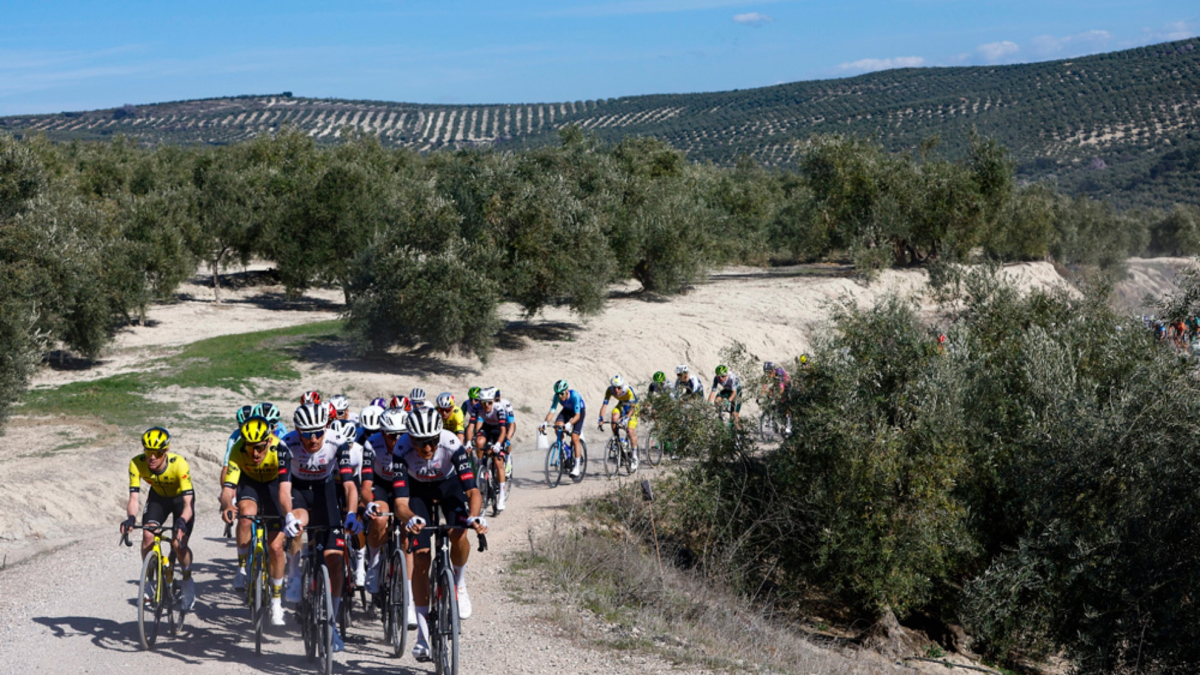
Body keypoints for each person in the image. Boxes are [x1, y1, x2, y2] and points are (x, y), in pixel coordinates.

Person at [394, 408, 488, 661]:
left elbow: (473, 492)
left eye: (432, 440)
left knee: (459, 533)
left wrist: (474, 517)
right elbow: (400, 503)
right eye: (421, 442)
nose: (428, 447)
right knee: (422, 556)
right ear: (410, 438)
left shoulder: (451, 444)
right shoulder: (401, 450)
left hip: (449, 486)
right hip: (417, 491)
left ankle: (458, 581)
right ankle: (423, 637)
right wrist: (409, 518)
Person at [280, 403, 361, 652]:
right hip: (299, 492)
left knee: (334, 560)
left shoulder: (338, 442)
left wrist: (351, 514)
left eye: (317, 433)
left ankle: (332, 624)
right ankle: (294, 574)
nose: (313, 439)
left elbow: (348, 485)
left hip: (325, 492)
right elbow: (283, 489)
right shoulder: (286, 444)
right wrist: (288, 517)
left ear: (325, 428)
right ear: (297, 430)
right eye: (306, 434)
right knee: (299, 521)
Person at [220, 416, 297, 626]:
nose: (255, 453)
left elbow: (284, 492)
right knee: (245, 516)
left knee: (276, 548)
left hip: (274, 486)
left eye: (260, 448)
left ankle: (276, 602)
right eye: (250, 447)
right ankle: (242, 569)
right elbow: (227, 489)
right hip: (250, 483)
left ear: (269, 441)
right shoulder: (238, 449)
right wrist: (227, 505)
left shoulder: (280, 449)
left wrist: (288, 514)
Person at [123, 427, 197, 611]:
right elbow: (134, 498)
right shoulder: (136, 464)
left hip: (181, 501)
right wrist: (131, 518)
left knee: (178, 544)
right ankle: (149, 582)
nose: (152, 457)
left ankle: (187, 580)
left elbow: (188, 504)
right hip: (158, 499)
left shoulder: (179, 464)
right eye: (148, 452)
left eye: (157, 452)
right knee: (148, 535)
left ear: (166, 451)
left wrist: (182, 521)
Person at [359, 407, 418, 627]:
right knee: (380, 519)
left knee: (406, 534)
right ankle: (374, 564)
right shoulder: (371, 444)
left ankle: (409, 599)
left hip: (407, 485)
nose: (398, 439)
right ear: (383, 434)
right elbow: (365, 485)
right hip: (381, 485)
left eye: (402, 434)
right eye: (392, 435)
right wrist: (370, 503)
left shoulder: (412, 443)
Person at [467, 387, 512, 511]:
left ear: (493, 401)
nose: (486, 406)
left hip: (499, 431)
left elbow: (504, 430)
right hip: (487, 428)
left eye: (489, 402)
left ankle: (502, 496)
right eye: (483, 402)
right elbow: (471, 427)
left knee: (498, 462)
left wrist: (498, 444)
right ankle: (482, 466)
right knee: (479, 441)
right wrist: (468, 442)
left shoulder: (499, 409)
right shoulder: (477, 408)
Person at [598, 375, 640, 471]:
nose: (616, 390)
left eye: (619, 388)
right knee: (614, 418)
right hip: (621, 404)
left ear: (622, 386)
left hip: (633, 407)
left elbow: (633, 407)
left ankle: (634, 456)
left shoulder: (628, 390)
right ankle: (619, 440)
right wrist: (601, 418)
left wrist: (627, 418)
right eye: (614, 387)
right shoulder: (609, 390)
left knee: (630, 430)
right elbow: (604, 405)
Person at [545, 380, 586, 478]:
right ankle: (565, 448)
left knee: (575, 437)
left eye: (561, 394)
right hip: (567, 410)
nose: (560, 396)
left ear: (567, 390)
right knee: (557, 426)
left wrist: (569, 424)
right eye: (557, 394)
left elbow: (577, 416)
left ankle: (576, 467)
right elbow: (552, 411)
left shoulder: (575, 396)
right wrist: (545, 423)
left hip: (578, 412)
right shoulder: (557, 397)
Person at [707, 364, 743, 429]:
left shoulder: (732, 377)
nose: (721, 378)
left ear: (726, 374)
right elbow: (713, 392)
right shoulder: (716, 379)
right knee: (717, 400)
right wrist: (708, 403)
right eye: (719, 376)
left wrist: (729, 401)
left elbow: (734, 393)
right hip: (727, 390)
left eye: (723, 376)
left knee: (734, 416)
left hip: (736, 392)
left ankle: (740, 434)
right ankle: (721, 415)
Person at [492, 388, 517, 479]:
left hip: (507, 425)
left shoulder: (506, 404)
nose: (496, 402)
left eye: (498, 399)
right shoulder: (489, 405)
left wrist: (508, 438)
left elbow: (512, 423)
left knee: (506, 441)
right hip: (495, 426)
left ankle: (508, 461)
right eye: (494, 400)